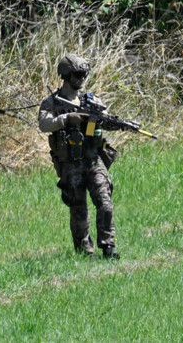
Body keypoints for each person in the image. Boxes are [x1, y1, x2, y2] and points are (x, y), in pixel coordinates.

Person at [38, 54, 119, 259]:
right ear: (66, 75)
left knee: (105, 202)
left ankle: (108, 247)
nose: (82, 78)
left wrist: (103, 122)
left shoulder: (92, 100)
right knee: (78, 209)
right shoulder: (52, 103)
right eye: (77, 74)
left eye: (84, 74)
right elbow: (44, 124)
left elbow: (106, 118)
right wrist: (66, 119)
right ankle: (85, 253)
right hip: (70, 164)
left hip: (93, 159)